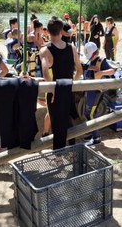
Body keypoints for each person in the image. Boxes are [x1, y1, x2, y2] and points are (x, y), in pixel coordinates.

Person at [40, 18, 83, 148]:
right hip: (68, 89)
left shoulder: (44, 51)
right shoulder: (72, 48)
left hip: (54, 92)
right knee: (68, 119)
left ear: (47, 32)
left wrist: (52, 91)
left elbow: (45, 74)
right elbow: (80, 71)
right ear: (61, 31)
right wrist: (72, 84)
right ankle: (72, 148)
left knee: (56, 122)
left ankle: (58, 155)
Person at [83, 42, 115, 144]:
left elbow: (112, 71)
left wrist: (101, 73)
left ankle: (96, 138)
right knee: (87, 113)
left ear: (95, 53)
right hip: (89, 91)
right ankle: (92, 133)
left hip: (96, 92)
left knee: (91, 114)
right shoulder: (90, 61)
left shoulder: (101, 61)